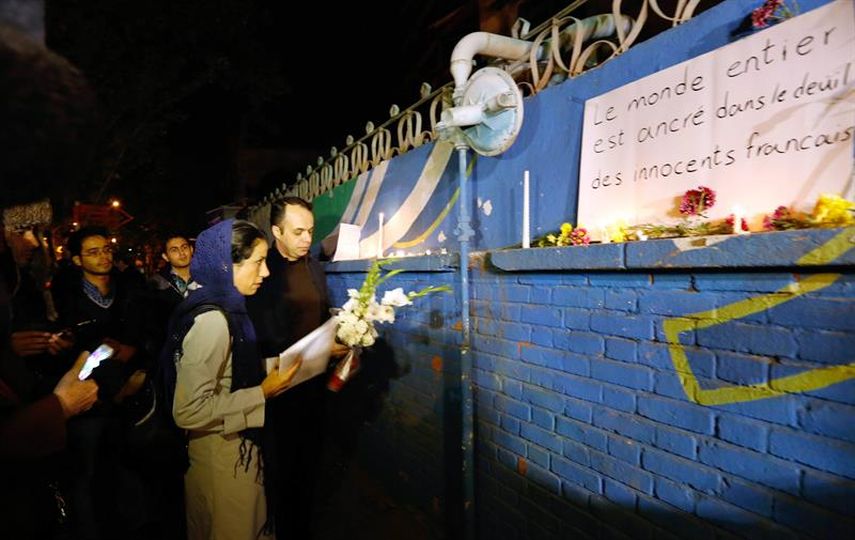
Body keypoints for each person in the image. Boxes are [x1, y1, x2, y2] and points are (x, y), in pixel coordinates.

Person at [164, 218, 302, 540]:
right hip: (223, 460)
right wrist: (261, 393)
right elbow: (187, 410)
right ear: (228, 265)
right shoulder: (213, 321)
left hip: (233, 450)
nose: (266, 272)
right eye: (258, 262)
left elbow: (233, 368)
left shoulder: (227, 308)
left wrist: (296, 360)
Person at [247, 196, 347, 539]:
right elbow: (262, 336)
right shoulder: (261, 272)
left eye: (310, 231)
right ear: (277, 232)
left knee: (309, 467)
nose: (307, 239)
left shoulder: (314, 267)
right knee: (279, 472)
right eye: (298, 232)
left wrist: (339, 339)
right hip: (276, 392)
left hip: (314, 389)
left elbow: (320, 317)